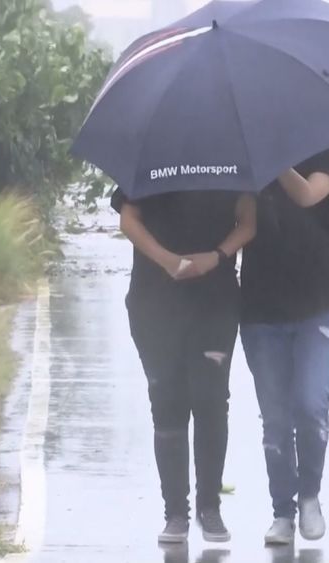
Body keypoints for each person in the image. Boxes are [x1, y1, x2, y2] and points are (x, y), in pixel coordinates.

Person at [112, 187, 257, 544]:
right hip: (154, 302)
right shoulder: (151, 156)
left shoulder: (227, 159)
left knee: (211, 400)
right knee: (167, 402)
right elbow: (129, 219)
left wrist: (216, 256)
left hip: (215, 304)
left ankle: (211, 508)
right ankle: (175, 512)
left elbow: (249, 222)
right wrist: (167, 260)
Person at [240, 146, 329, 545]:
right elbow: (235, 219)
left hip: (319, 305)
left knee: (310, 404)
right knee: (275, 419)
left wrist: (273, 164)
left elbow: (307, 195)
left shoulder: (327, 158)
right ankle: (281, 513)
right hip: (261, 307)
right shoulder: (245, 161)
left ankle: (310, 495)